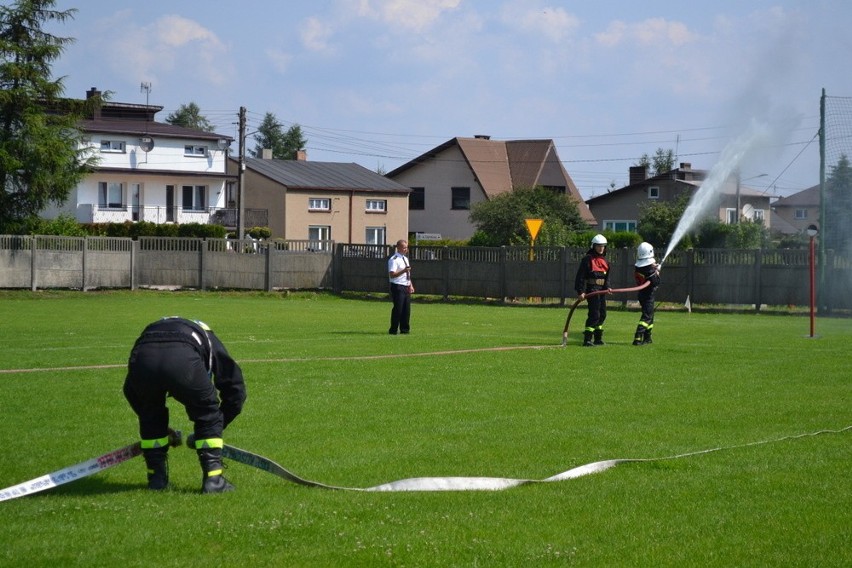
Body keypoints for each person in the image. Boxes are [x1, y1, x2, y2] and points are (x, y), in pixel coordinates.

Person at [123, 316, 247, 493]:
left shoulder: (157, 329)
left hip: (144, 357)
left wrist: (157, 424)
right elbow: (235, 389)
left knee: (150, 412)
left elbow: (130, 391)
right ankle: (214, 480)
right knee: (207, 412)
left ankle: (156, 480)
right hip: (183, 358)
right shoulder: (208, 336)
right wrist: (214, 426)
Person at [574, 234, 611, 347]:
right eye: (599, 246)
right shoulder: (587, 259)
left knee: (602, 314)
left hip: (602, 291)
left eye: (603, 246)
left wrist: (607, 287)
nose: (601, 248)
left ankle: (598, 339)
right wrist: (580, 291)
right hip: (592, 290)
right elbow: (580, 276)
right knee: (594, 314)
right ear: (593, 246)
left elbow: (607, 278)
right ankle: (587, 339)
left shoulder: (605, 261)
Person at [632, 242, 661, 346]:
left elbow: (648, 270)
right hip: (648, 295)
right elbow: (656, 282)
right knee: (647, 316)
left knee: (650, 315)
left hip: (642, 294)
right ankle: (638, 337)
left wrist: (654, 269)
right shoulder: (649, 270)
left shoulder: (639, 267)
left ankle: (647, 337)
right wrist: (657, 272)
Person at [387, 239, 413, 335]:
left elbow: (408, 273)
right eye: (404, 247)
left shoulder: (405, 259)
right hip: (397, 286)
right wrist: (403, 271)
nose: (406, 249)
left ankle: (405, 329)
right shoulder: (394, 260)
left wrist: (410, 285)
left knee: (406, 309)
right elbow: (392, 274)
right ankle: (393, 329)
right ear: (398, 248)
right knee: (398, 308)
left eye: (406, 247)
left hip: (405, 285)